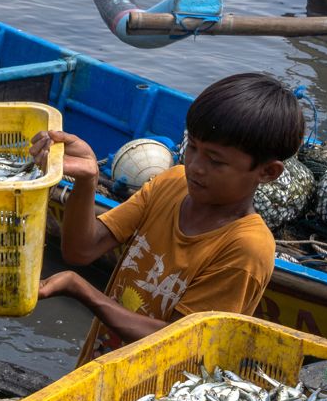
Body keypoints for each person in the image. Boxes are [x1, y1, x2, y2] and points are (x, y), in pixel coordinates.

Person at [32, 72, 304, 361]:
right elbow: (81, 250)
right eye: (193, 148)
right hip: (100, 365)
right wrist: (88, 179)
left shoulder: (246, 247)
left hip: (157, 397)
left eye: (215, 161)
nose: (195, 167)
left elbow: (183, 341)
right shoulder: (172, 184)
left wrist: (80, 289)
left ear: (267, 172)